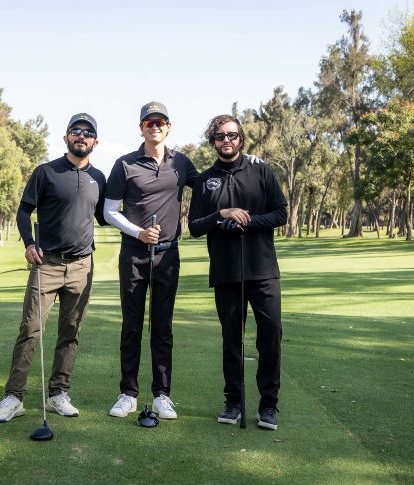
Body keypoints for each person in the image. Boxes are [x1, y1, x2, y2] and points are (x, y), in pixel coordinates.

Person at [0, 113, 107, 423]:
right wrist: (29, 243)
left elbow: (105, 216)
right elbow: (23, 211)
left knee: (71, 332)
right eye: (76, 131)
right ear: (66, 137)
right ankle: (14, 397)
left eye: (88, 133)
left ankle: (58, 394)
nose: (81, 136)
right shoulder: (46, 172)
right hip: (47, 264)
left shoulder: (99, 178)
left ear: (95, 142)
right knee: (30, 330)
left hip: (82, 266)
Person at [187, 114, 287, 430]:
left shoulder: (260, 170)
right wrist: (223, 214)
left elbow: (281, 213)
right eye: (220, 136)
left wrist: (249, 221)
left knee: (271, 336)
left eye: (232, 135)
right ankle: (233, 402)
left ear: (241, 138)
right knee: (232, 340)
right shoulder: (205, 180)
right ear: (213, 142)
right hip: (226, 272)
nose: (226, 140)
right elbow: (194, 227)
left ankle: (268, 406)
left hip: (263, 270)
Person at [103, 101, 199, 420]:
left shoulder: (181, 163)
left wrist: (247, 166)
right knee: (131, 325)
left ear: (169, 127)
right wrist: (139, 232)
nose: (155, 126)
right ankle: (128, 394)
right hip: (134, 254)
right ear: (141, 128)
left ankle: (162, 395)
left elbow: (210, 185)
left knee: (162, 326)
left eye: (160, 122)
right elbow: (109, 211)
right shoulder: (125, 164)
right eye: (149, 122)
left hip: (168, 254)